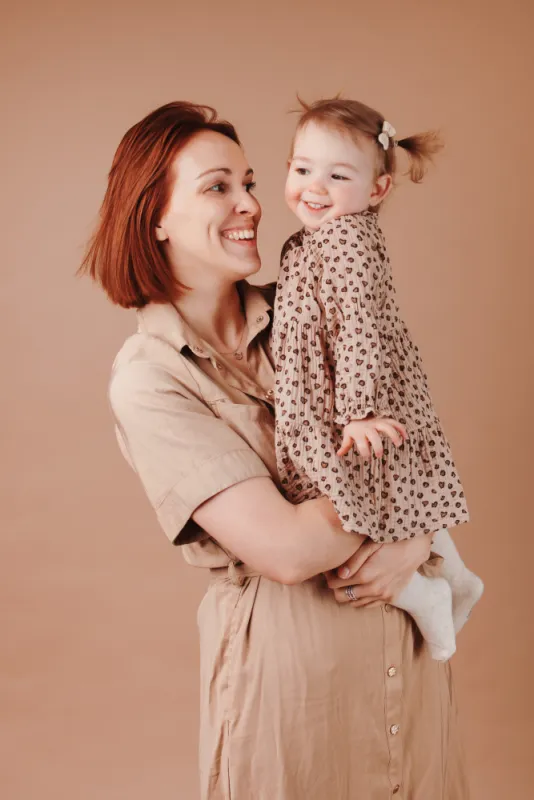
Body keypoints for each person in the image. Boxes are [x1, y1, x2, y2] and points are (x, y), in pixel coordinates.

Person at [80, 101, 470, 799]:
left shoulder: (310, 301)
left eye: (251, 181)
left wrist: (417, 540)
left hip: (408, 683)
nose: (252, 205)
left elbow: (410, 427)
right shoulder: (151, 380)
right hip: (294, 708)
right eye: (217, 187)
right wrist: (416, 525)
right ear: (155, 218)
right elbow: (288, 550)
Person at [273, 97, 483, 661]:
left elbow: (359, 325)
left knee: (355, 504)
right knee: (390, 494)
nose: (314, 187)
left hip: (352, 399)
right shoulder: (321, 237)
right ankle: (454, 574)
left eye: (338, 175)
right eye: (301, 169)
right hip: (346, 391)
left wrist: (357, 410)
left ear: (377, 190)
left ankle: (423, 594)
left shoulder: (346, 239)